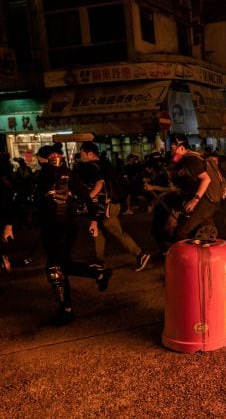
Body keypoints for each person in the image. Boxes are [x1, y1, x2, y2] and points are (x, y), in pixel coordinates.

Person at [35, 143, 112, 326]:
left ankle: (66, 309)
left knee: (55, 269)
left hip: (63, 227)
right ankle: (98, 274)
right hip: (52, 226)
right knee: (64, 265)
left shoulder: (60, 174)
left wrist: (94, 220)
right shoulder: (46, 176)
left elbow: (86, 196)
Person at [78, 142, 151, 272]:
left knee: (118, 232)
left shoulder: (92, 167)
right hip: (111, 204)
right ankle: (99, 261)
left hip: (106, 206)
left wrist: (87, 198)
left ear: (90, 154)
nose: (81, 156)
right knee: (98, 232)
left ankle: (140, 254)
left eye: (82, 154)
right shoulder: (106, 164)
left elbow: (99, 184)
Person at [151, 136, 216, 252]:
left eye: (173, 147)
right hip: (195, 197)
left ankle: (188, 259)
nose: (171, 150)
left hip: (205, 200)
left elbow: (206, 179)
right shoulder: (182, 160)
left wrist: (195, 199)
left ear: (181, 148)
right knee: (187, 227)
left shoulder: (191, 160)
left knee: (181, 232)